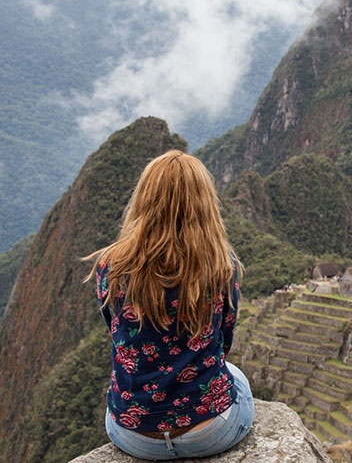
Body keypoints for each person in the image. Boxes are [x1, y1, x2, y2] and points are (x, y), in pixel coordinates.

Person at [84, 150, 254, 460]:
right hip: (210, 432)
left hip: (133, 434)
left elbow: (116, 331)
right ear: (204, 203)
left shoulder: (110, 265)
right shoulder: (221, 266)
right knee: (236, 375)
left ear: (144, 199)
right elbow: (224, 340)